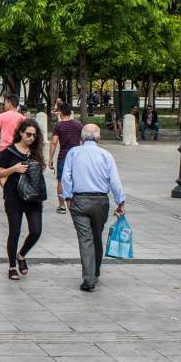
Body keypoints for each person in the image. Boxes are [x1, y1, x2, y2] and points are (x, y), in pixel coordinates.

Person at [61, 124, 126, 292]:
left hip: (79, 200)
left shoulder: (73, 153)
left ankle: (89, 277)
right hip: (100, 202)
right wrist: (120, 201)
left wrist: (67, 197)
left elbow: (66, 177)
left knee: (85, 239)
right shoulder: (106, 155)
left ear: (81, 138)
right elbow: (114, 181)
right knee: (96, 235)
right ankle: (94, 271)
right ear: (98, 138)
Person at [0, 118, 45, 281]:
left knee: (36, 231)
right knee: (14, 232)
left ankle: (21, 254)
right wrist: (14, 169)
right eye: (28, 134)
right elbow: (0, 173)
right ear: (21, 133)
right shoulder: (8, 152)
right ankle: (12, 266)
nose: (31, 138)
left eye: (34, 135)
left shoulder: (36, 151)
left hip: (33, 198)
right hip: (14, 197)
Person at [48, 103, 82, 214]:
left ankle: (62, 205)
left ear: (61, 113)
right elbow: (83, 139)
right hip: (77, 156)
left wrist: (50, 159)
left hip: (63, 156)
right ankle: (75, 204)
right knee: (76, 179)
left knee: (60, 181)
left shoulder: (59, 126)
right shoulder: (78, 125)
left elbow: (53, 142)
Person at [0, 94, 26, 160]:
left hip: (4, 150)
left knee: (1, 170)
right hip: (17, 151)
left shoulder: (2, 116)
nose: (4, 105)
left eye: (5, 103)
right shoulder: (22, 118)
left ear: (10, 103)